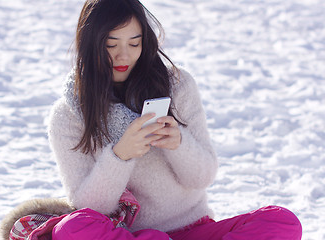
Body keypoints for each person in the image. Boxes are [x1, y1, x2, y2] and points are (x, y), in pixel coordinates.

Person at [45, 0, 303, 239]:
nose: (124, 56)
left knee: (282, 222)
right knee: (72, 229)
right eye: (111, 45)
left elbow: (202, 177)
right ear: (91, 45)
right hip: (129, 235)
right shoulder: (69, 115)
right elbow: (90, 207)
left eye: (134, 43)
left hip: (195, 229)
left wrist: (179, 144)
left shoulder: (177, 85)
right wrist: (119, 156)